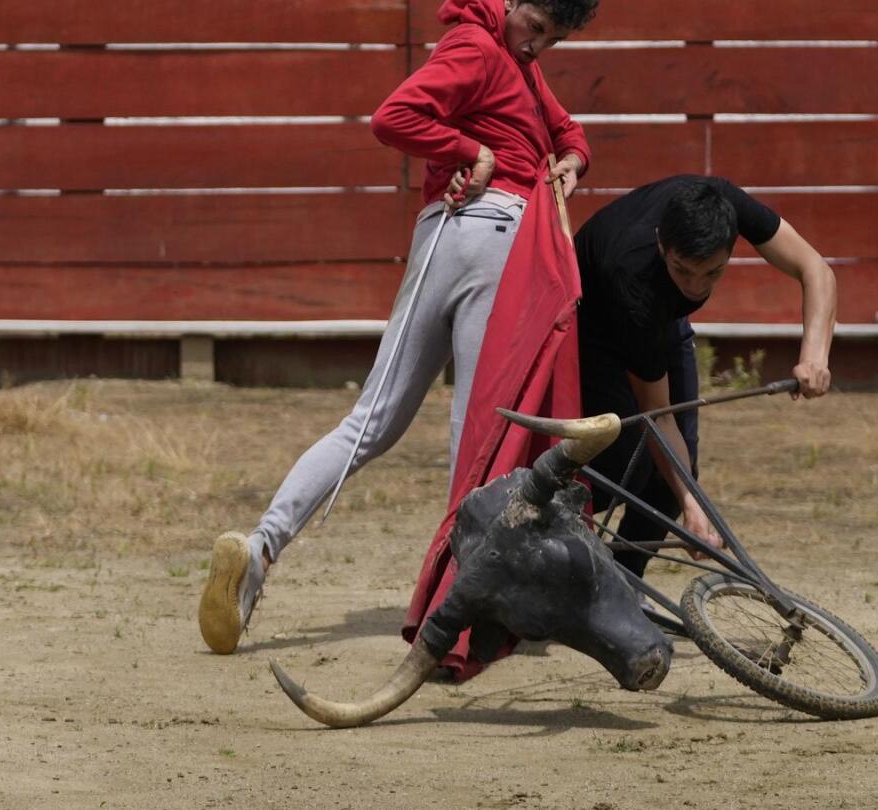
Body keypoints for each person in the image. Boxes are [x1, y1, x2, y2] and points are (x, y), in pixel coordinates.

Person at [198, 0, 599, 655]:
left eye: (552, 40)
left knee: (371, 419)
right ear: (518, 2)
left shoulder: (508, 55)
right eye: (537, 30)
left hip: (443, 235)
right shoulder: (478, 46)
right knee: (478, 432)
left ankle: (260, 548)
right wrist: (473, 149)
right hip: (496, 237)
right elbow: (395, 117)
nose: (538, 48)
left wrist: (573, 159)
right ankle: (458, 602)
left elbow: (564, 128)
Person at [572, 176, 837, 577]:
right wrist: (696, 511)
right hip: (599, 323)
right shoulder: (633, 275)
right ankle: (555, 554)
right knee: (627, 462)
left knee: (680, 469)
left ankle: (623, 580)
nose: (696, 288)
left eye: (712, 273)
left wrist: (814, 356)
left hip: (663, 318)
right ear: (663, 244)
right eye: (684, 270)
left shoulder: (723, 204)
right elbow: (658, 415)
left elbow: (815, 268)